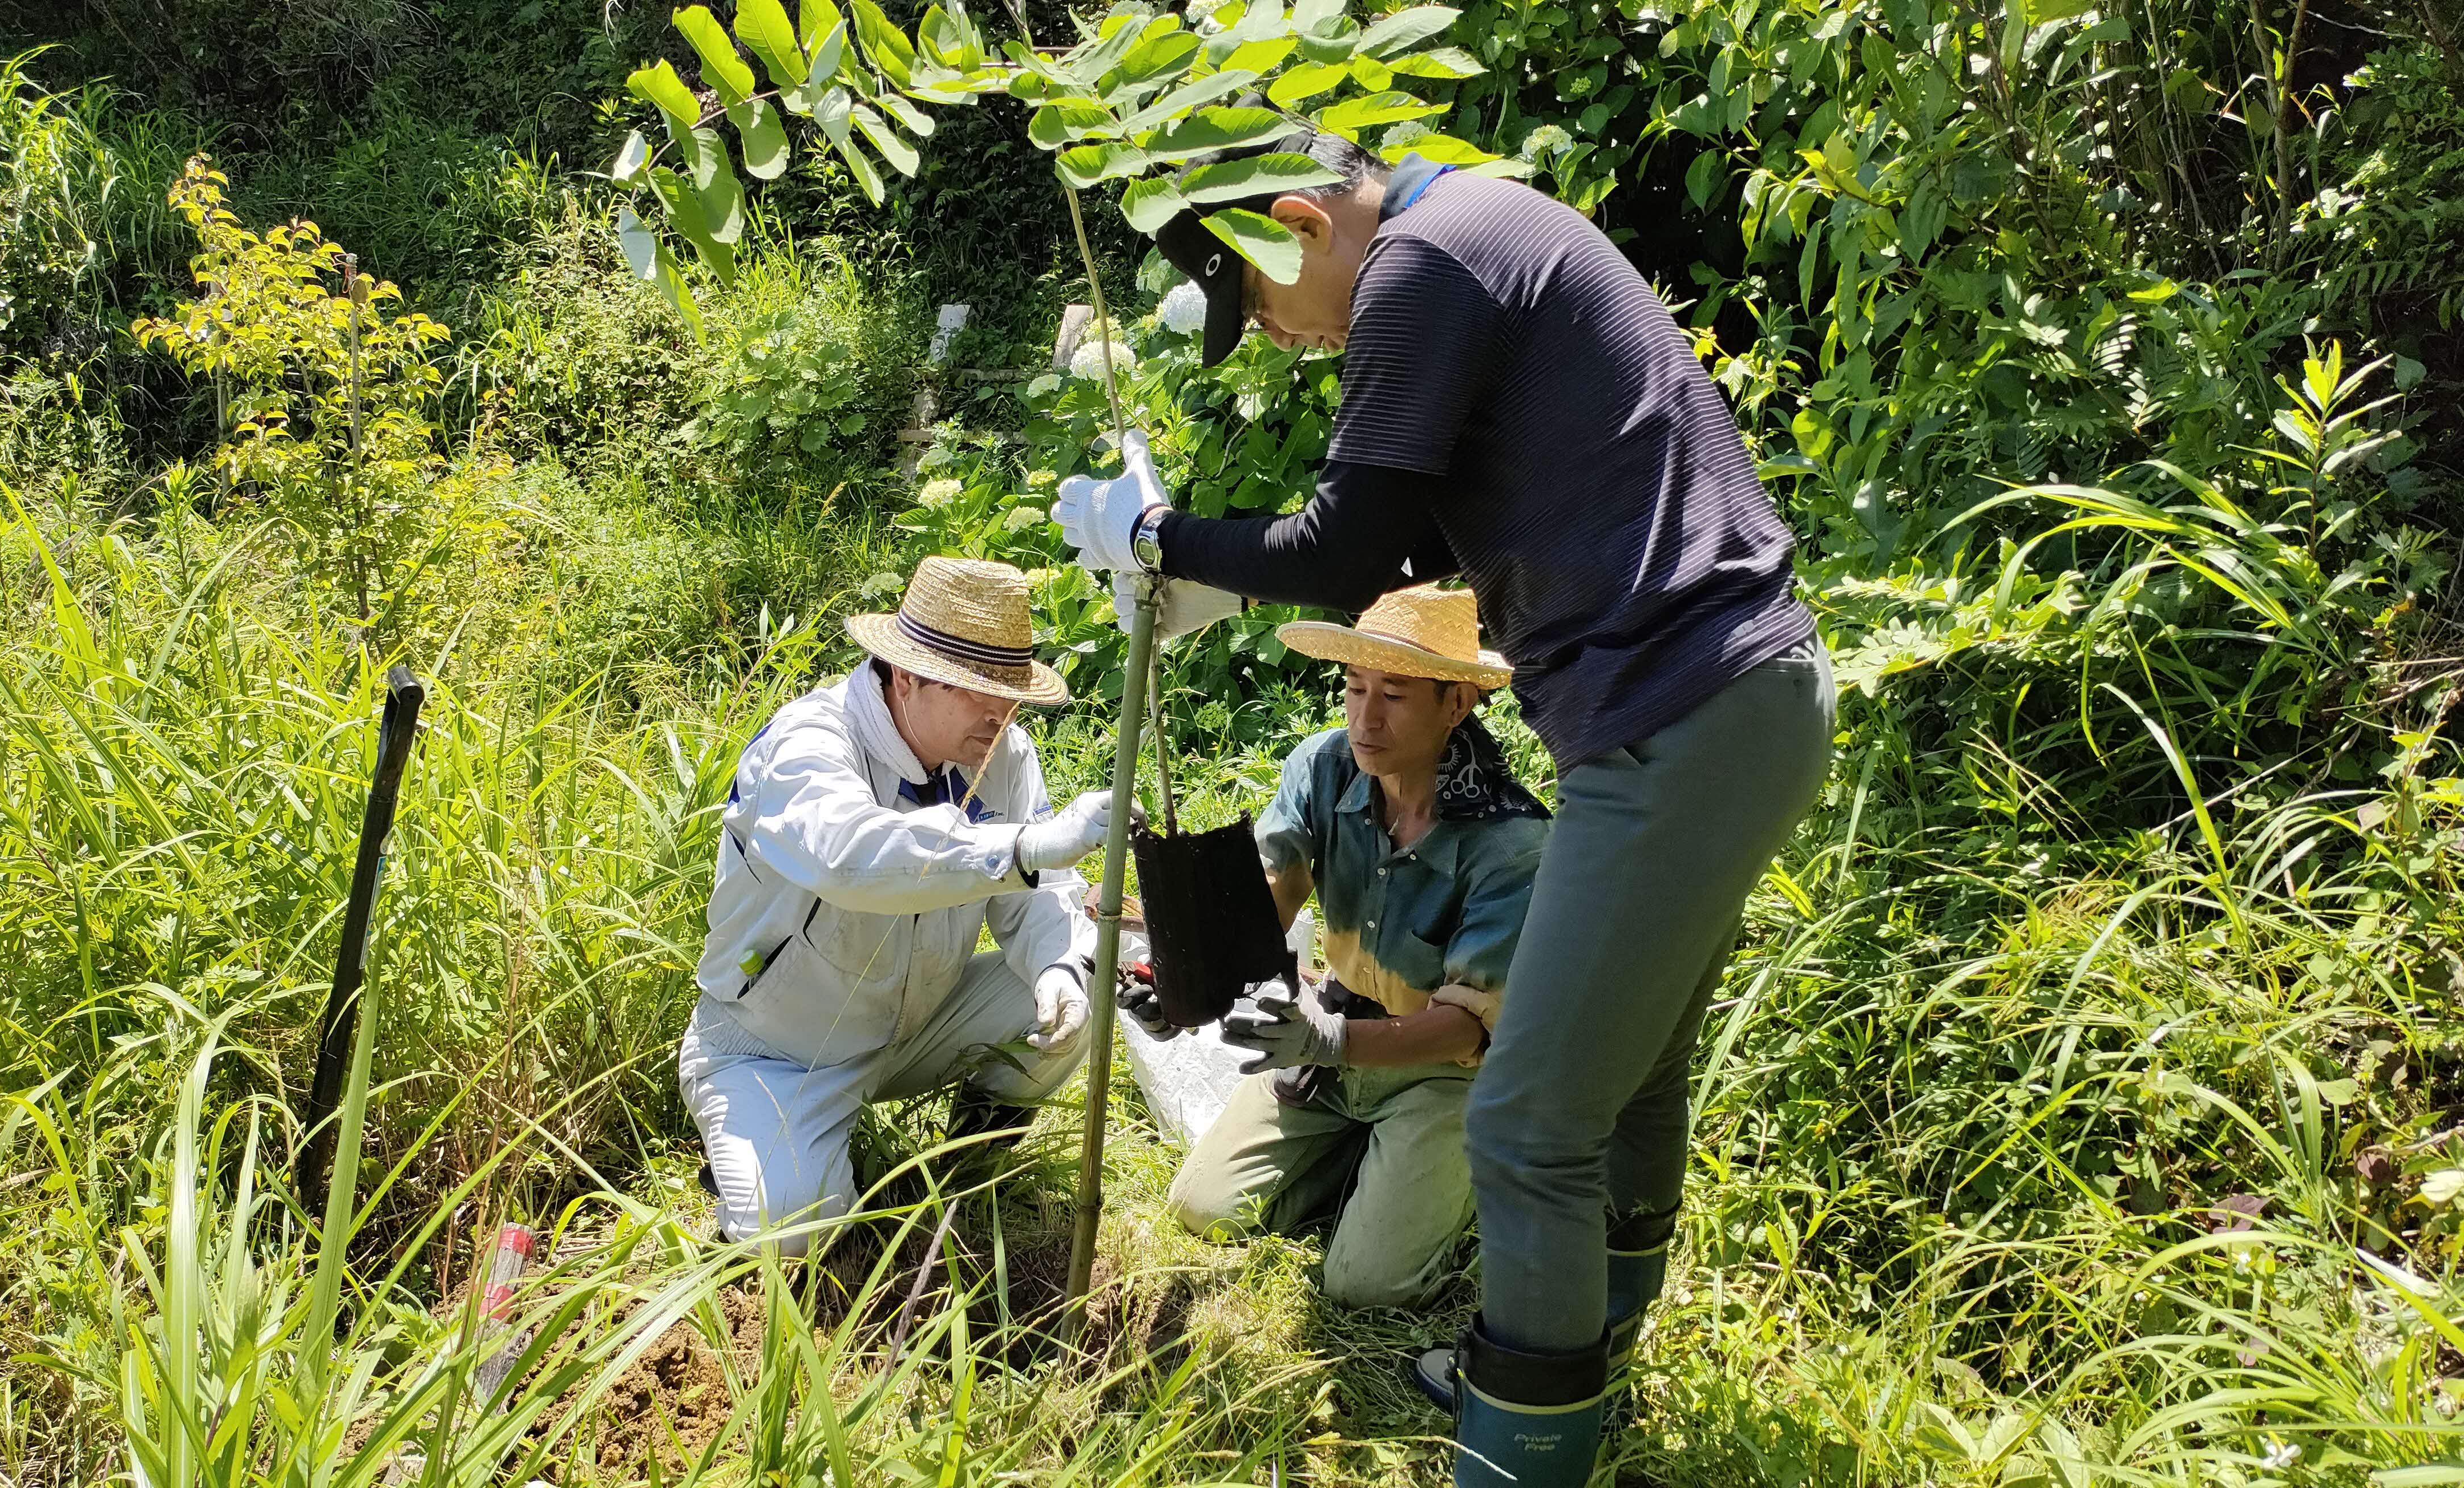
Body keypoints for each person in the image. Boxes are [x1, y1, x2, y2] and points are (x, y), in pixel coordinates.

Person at [1056, 123, 1836, 1485]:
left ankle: (1519, 1452)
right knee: (1631, 1072)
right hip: (1732, 701)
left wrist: (1157, 540)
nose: (1284, 339)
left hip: (1677, 714)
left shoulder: (1423, 261)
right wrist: (1211, 581)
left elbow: (1350, 543)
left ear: (1300, 220)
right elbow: (1414, 544)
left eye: (1259, 303)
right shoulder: (1483, 231)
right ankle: (1579, 1364)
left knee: (1525, 1123)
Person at [677, 556, 1132, 1261]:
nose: (1001, 713)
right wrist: (1025, 845)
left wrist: (1056, 967)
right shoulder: (810, 742)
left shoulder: (1003, 753)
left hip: (915, 1028)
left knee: (1092, 971)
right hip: (780, 1047)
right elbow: (849, 856)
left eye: (1009, 693)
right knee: (793, 1231)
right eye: (978, 691)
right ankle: (765, 1155)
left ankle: (968, 1168)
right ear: (907, 674)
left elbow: (1043, 896)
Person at [1141, 585, 1544, 1311]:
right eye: (1355, 687)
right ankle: (1364, 1162)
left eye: (1394, 694)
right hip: (1330, 1033)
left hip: (1442, 1075)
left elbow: (1465, 1024)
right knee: (1202, 1208)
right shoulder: (1324, 767)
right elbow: (1273, 893)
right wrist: (1180, 977)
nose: (1364, 717)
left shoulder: (1509, 842)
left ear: (1456, 704)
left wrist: (1327, 1039)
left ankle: (1452, 1170)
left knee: (1365, 1287)